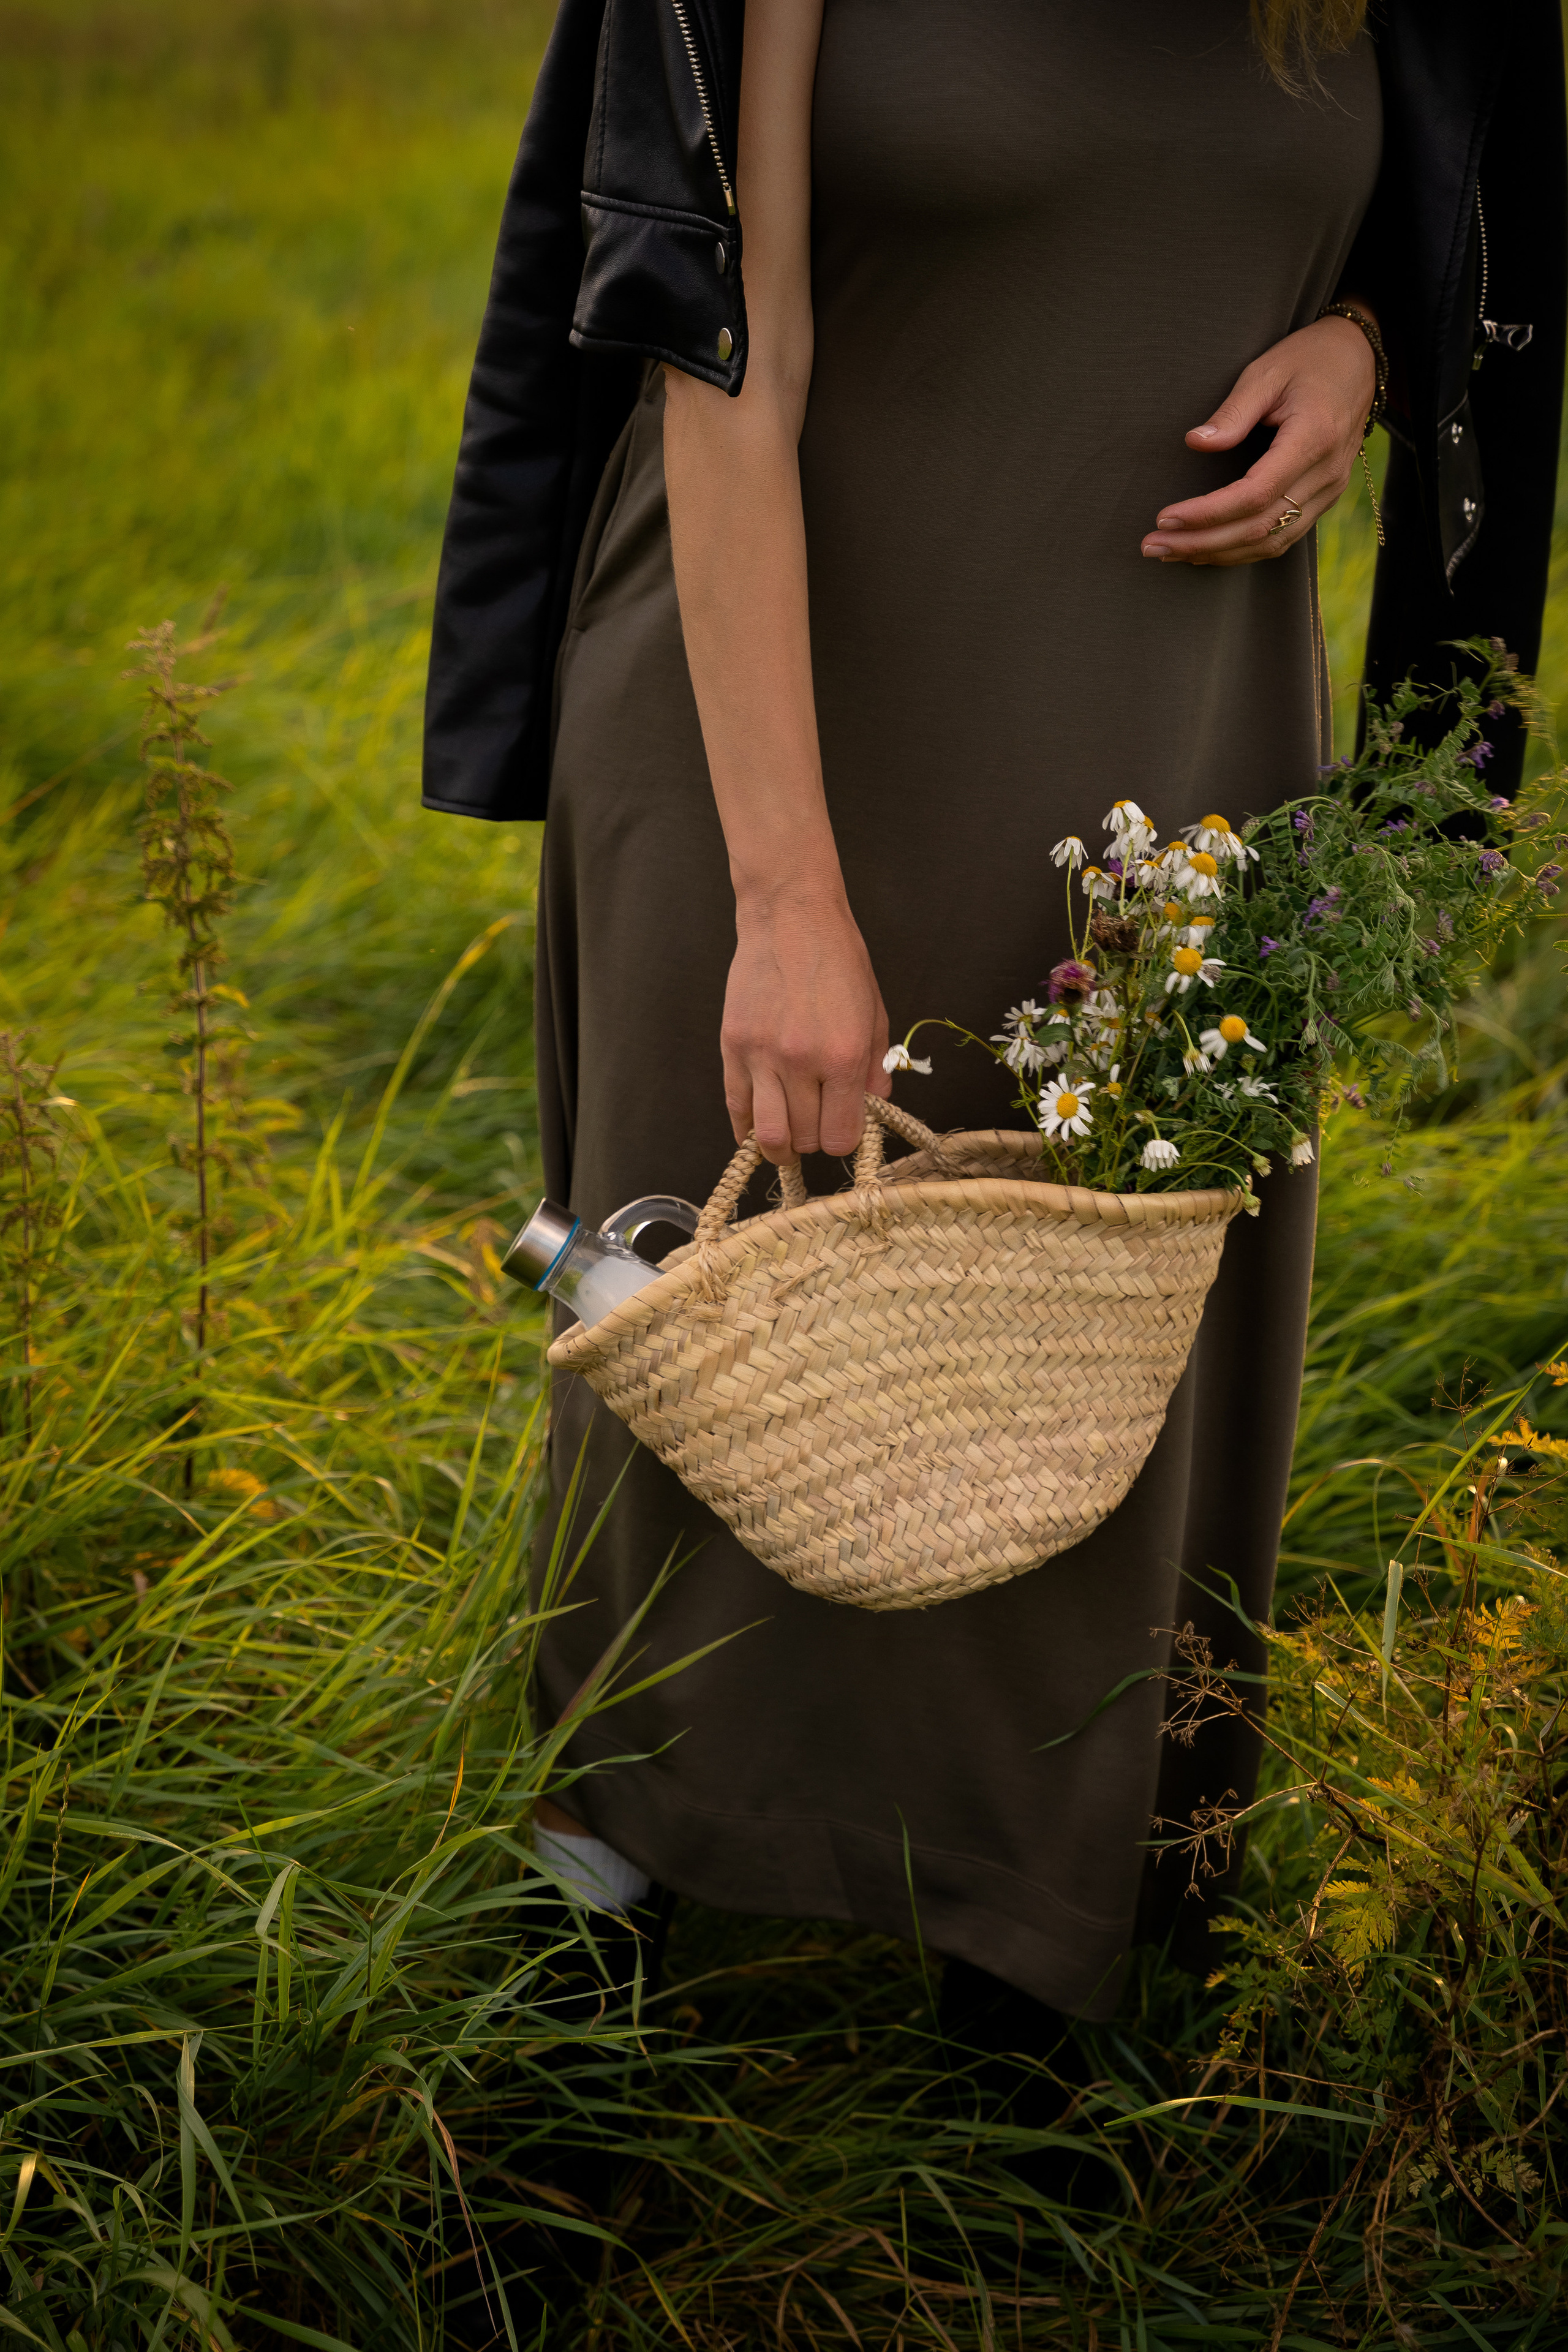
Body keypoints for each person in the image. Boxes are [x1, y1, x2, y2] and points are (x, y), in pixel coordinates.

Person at [423, 0, 1565, 2025]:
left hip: (1175, 714)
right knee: (724, 1297)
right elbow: (724, 366)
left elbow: (1461, 215)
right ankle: (602, 1900)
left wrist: (1371, 348)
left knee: (1112, 1317)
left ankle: (1042, 1924)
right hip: (770, 699)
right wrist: (787, 901)